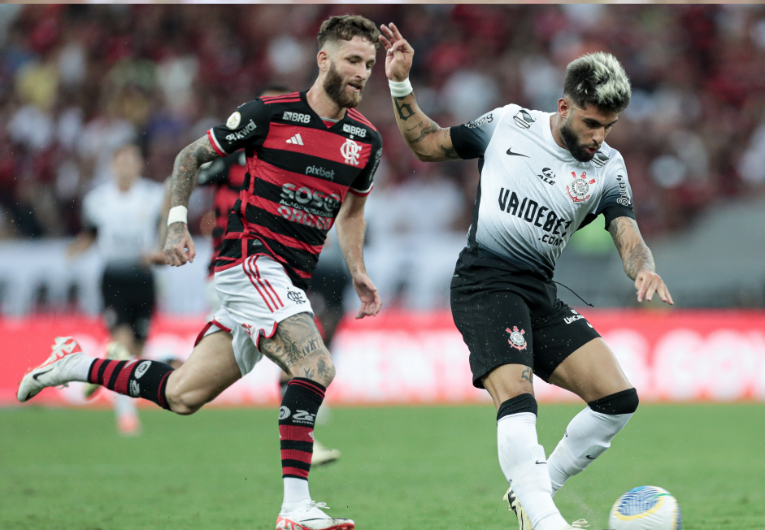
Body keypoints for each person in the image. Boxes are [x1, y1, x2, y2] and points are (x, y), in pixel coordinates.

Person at [19, 15, 383, 530]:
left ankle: (74, 365)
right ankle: (296, 509)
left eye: (369, 63)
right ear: (323, 59)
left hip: (286, 279)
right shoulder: (268, 114)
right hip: (249, 261)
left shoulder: (365, 139)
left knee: (182, 394)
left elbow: (353, 210)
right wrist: (175, 226)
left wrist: (358, 269)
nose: (362, 72)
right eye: (353, 60)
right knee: (316, 364)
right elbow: (190, 157)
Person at [380, 23, 673, 530]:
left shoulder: (608, 165)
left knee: (617, 399)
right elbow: (427, 143)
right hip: (484, 283)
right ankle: (545, 521)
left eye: (608, 126)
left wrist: (644, 267)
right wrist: (401, 83)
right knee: (518, 399)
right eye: (591, 123)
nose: (598, 137)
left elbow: (627, 233)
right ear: (563, 106)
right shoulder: (508, 124)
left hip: (539, 291)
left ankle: (533, 494)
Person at [156, 85, 342, 466]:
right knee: (298, 344)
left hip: (266, 272)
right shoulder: (233, 158)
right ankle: (303, 441)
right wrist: (171, 229)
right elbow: (178, 177)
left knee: (190, 384)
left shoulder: (288, 160)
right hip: (231, 271)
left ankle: (130, 366)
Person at [67, 142, 164, 436]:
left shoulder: (154, 195)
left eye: (131, 161)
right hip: (114, 278)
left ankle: (117, 389)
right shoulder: (97, 200)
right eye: (121, 161)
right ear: (112, 166)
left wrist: (159, 251)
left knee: (137, 351)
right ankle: (126, 416)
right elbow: (92, 234)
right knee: (120, 343)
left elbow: (164, 230)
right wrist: (76, 249)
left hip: (143, 278)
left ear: (139, 165)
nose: (126, 167)